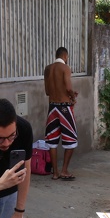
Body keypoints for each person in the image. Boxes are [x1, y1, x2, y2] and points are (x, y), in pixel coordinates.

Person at [44, 46, 79, 181]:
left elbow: (47, 91)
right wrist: (73, 96)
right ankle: (64, 170)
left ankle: (55, 173)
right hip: (64, 107)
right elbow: (69, 88)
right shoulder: (65, 68)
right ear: (65, 56)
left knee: (52, 140)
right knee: (71, 138)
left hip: (52, 107)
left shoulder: (48, 69)